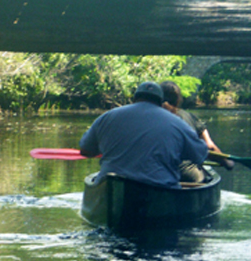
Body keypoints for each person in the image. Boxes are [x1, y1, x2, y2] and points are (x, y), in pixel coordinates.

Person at [79, 81, 208, 189]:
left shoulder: (107, 116)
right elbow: (200, 155)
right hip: (159, 188)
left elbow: (85, 151)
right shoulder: (177, 123)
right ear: (160, 101)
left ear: (134, 99)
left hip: (110, 186)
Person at [160, 80, 234, 182]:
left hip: (158, 175)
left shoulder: (150, 118)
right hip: (188, 175)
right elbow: (209, 146)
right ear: (178, 99)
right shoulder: (189, 117)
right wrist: (227, 162)